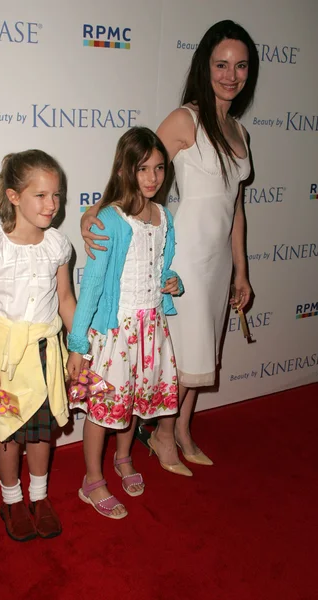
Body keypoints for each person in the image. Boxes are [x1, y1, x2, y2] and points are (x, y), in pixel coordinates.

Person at [81, 20, 259, 469]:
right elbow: (140, 169)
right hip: (185, 255)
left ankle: (181, 429)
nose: (230, 75)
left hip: (218, 259)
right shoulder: (186, 119)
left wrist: (241, 270)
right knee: (183, 349)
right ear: (205, 65)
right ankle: (162, 434)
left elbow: (235, 207)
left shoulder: (240, 132)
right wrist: (95, 211)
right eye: (221, 64)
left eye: (240, 66)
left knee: (205, 349)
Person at [66, 126, 192, 521]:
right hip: (115, 331)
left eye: (159, 168)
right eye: (143, 169)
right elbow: (92, 287)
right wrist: (77, 343)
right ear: (125, 170)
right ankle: (91, 478)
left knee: (133, 402)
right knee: (103, 409)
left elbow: (162, 267)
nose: (153, 178)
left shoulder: (164, 217)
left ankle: (123, 458)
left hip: (151, 327)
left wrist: (174, 283)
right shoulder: (109, 219)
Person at [0, 150, 75, 541]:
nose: (52, 205)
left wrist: (78, 347)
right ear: (14, 196)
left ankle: (40, 497)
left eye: (57, 195)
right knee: (8, 433)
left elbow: (65, 300)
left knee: (42, 433)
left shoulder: (58, 245)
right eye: (42, 196)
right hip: (4, 360)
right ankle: (12, 500)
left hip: (46, 355)